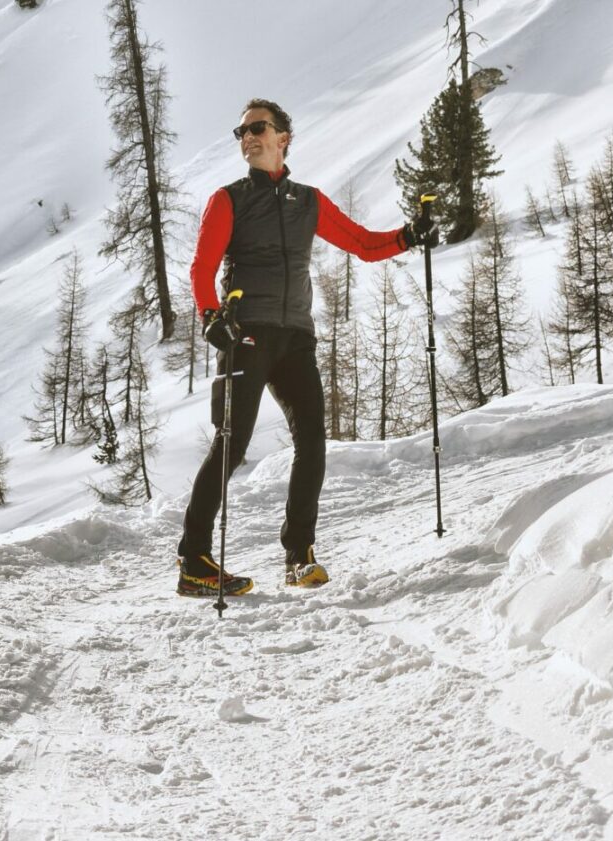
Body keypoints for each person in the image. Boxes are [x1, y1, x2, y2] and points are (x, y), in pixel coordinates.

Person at [175, 98, 436, 598]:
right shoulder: (228, 199)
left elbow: (362, 243)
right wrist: (212, 318)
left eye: (257, 128)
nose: (247, 137)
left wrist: (408, 236)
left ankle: (299, 555)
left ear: (283, 138)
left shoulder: (307, 201)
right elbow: (201, 270)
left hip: (295, 336)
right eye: (241, 131)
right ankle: (194, 560)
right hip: (245, 333)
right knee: (231, 444)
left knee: (312, 440)